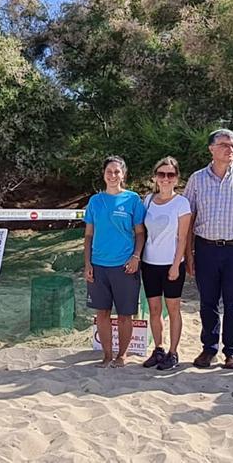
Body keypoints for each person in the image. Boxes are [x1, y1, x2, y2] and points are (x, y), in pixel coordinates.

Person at [184, 129, 233, 370]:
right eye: (225, 145)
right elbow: (189, 218)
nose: (231, 149)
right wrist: (188, 253)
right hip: (205, 249)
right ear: (211, 149)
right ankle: (209, 349)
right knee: (207, 302)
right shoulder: (197, 179)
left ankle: (232, 352)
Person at [83, 156, 146, 368]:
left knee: (125, 315)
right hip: (99, 265)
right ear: (103, 174)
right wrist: (88, 264)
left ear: (123, 174)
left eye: (117, 172)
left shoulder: (133, 200)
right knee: (102, 313)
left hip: (125, 266)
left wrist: (136, 256)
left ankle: (122, 356)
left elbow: (140, 233)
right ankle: (107, 355)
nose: (112, 175)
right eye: (109, 171)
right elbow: (89, 236)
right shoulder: (95, 201)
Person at [140, 157, 191, 371]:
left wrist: (175, 264)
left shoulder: (182, 203)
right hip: (149, 263)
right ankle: (158, 349)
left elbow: (183, 237)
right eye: (162, 174)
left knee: (173, 309)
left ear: (177, 178)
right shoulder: (148, 200)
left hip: (171, 265)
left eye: (170, 174)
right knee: (154, 309)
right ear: (155, 177)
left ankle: (173, 351)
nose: (166, 178)